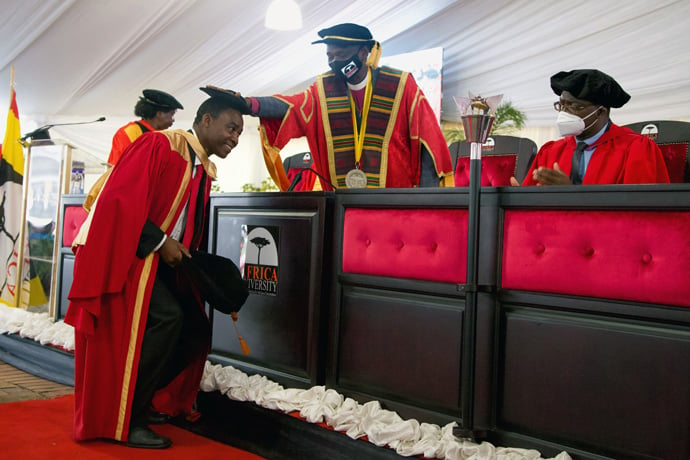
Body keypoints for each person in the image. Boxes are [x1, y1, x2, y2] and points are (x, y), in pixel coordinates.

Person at [65, 86, 250, 449]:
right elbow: (119, 202)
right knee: (168, 319)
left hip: (155, 261)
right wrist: (163, 243)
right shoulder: (162, 146)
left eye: (240, 132)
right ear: (207, 120)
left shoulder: (201, 168)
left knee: (195, 330)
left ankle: (141, 398)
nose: (235, 138)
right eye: (231, 128)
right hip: (125, 255)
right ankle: (128, 417)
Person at [244, 23, 454, 190]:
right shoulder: (322, 90)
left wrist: (426, 200)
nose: (334, 62)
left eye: (342, 56)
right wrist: (250, 104)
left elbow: (428, 143)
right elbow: (292, 106)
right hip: (342, 207)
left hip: (392, 205)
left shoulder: (400, 85)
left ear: (364, 52)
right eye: (330, 56)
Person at [511, 69, 669, 186]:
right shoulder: (550, 152)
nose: (565, 113)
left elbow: (640, 212)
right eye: (562, 105)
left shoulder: (635, 149)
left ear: (600, 112)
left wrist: (572, 196)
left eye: (574, 106)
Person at [107, 89, 184, 166]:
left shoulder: (167, 136)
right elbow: (116, 169)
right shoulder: (129, 133)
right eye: (171, 115)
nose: (173, 120)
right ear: (159, 114)